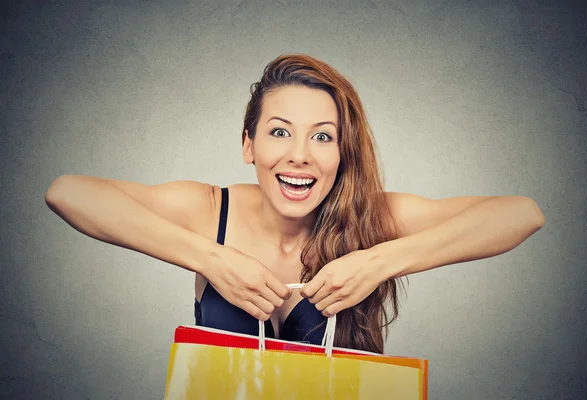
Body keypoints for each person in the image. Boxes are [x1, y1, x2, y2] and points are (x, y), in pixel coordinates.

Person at [45, 54, 545, 354]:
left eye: (322, 137)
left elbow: (522, 214)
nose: (299, 155)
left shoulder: (373, 216)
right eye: (279, 132)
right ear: (249, 146)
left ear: (342, 151)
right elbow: (67, 192)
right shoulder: (207, 210)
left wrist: (379, 260)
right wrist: (210, 259)